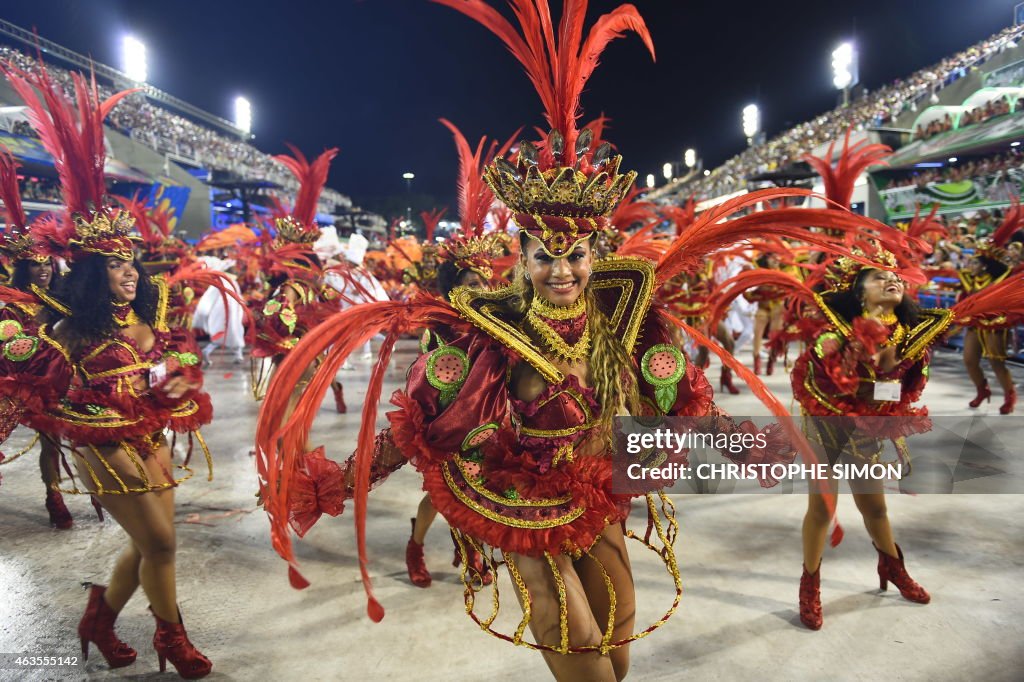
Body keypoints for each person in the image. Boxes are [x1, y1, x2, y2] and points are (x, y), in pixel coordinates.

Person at [0, 60, 213, 677]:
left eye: (133, 265)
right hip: (100, 441)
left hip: (149, 433)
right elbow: (42, 388)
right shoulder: (70, 329)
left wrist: (178, 377)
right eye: (116, 266)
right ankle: (172, 638)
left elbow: (177, 363)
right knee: (163, 544)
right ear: (92, 273)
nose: (129, 272)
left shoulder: (148, 320)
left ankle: (99, 617)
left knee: (150, 545)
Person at [791, 248, 946, 630]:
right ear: (858, 292)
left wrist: (892, 378)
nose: (891, 279)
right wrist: (878, 377)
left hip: (867, 428)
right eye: (877, 276)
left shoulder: (910, 336)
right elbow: (829, 387)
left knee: (875, 508)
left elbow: (907, 390)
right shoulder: (833, 335)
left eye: (894, 275)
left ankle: (892, 566)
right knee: (823, 510)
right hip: (825, 425)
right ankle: (810, 583)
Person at [0, 149, 68, 528]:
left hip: (55, 382)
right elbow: (9, 345)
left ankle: (53, 494)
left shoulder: (61, 301)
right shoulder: (10, 303)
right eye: (35, 267)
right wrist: (35, 333)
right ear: (23, 268)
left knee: (53, 442)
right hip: (17, 381)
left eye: (47, 266)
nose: (43, 273)